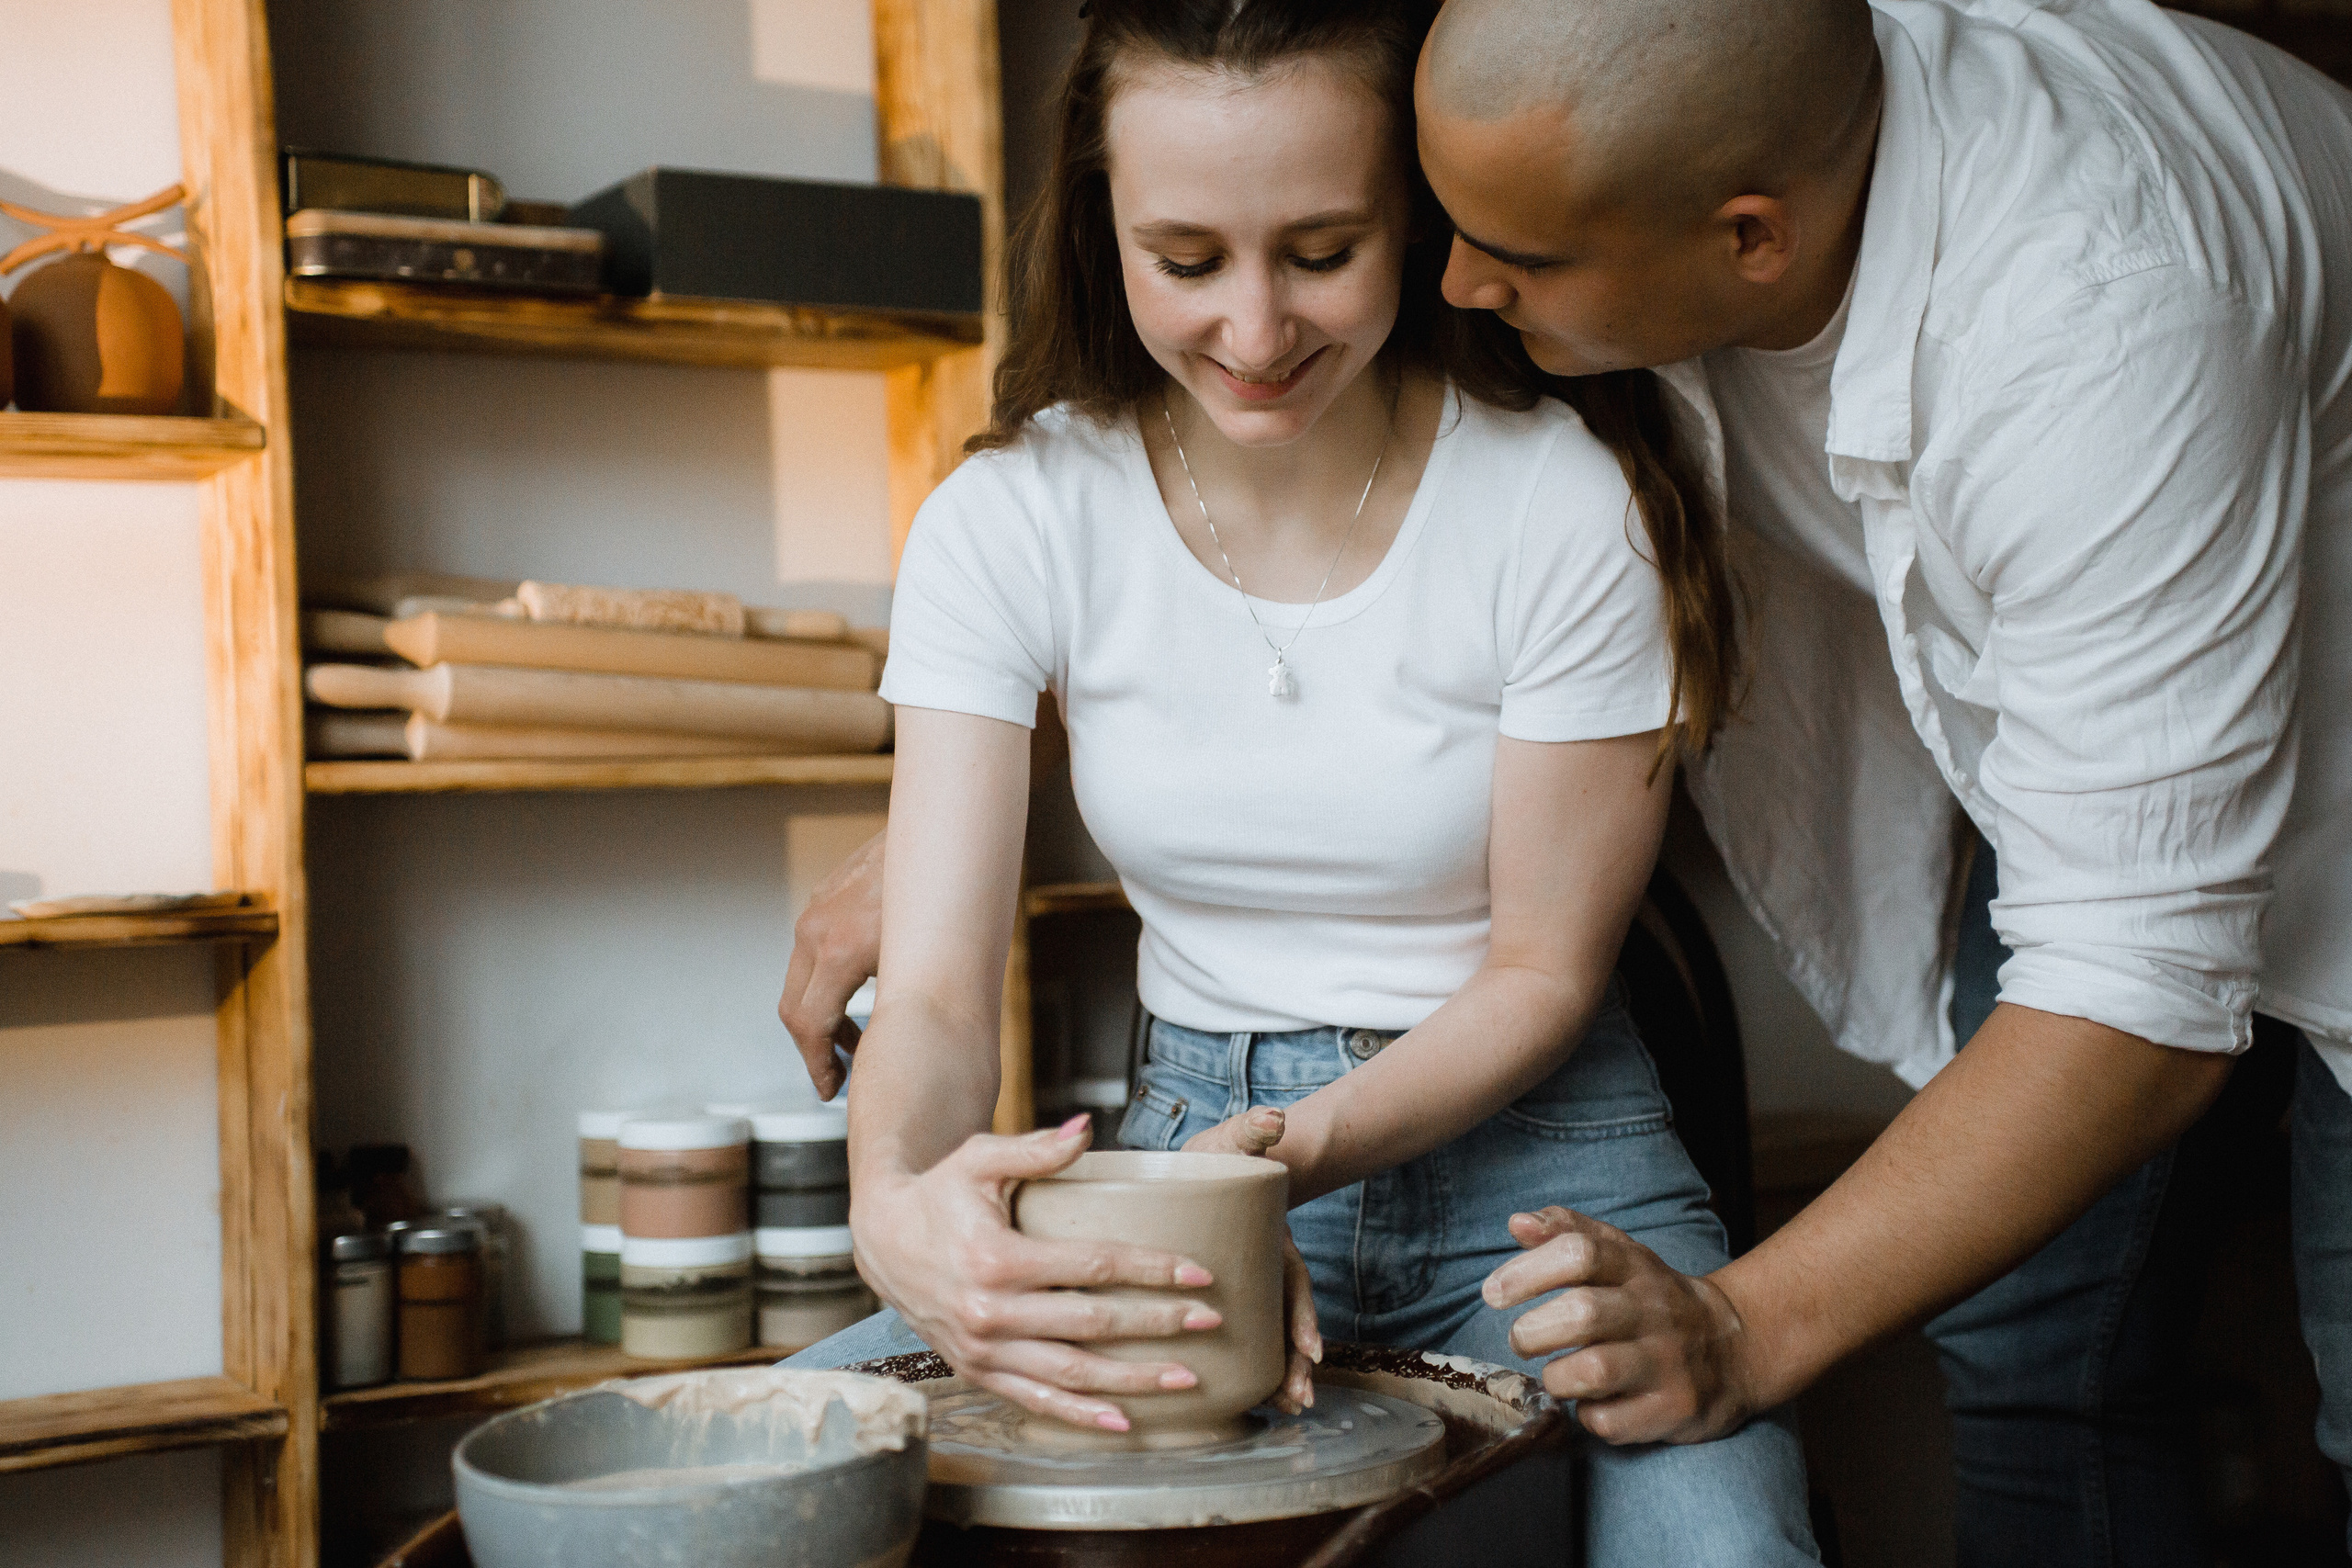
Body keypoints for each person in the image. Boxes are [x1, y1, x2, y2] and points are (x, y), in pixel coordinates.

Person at [775, 1, 1821, 1559]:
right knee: (757, 1489)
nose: (1256, 334)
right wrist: (901, 1209)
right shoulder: (1012, 519)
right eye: (1186, 261)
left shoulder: (1560, 499)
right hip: (1193, 1163)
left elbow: (1541, 971)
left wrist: (1284, 1159)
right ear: (1103, 229)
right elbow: (928, 994)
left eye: (1323, 252)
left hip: (1546, 1178)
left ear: (1419, 217)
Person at [1406, 0, 2352, 1562]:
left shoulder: (2102, 318)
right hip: (2079, 739)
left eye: (1520, 255)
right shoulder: (1680, 115)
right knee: (2031, 1352)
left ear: (1753, 239)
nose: (1455, 279)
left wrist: (1738, 1325)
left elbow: (2138, 997)